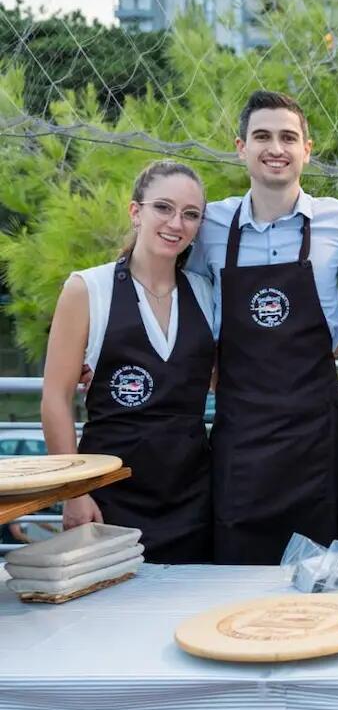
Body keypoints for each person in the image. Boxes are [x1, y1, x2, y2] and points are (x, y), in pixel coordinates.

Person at [188, 91, 338, 565]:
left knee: (320, 571)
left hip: (316, 431)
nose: (275, 148)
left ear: (307, 148)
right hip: (242, 432)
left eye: (288, 137)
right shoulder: (210, 224)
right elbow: (172, 296)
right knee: (237, 565)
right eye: (262, 136)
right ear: (240, 147)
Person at [42, 160, 216, 563]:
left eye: (191, 215)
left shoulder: (207, 293)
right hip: (109, 495)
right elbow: (55, 398)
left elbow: (221, 378)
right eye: (164, 208)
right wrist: (74, 492)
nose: (176, 223)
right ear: (136, 211)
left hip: (193, 495)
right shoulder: (88, 289)